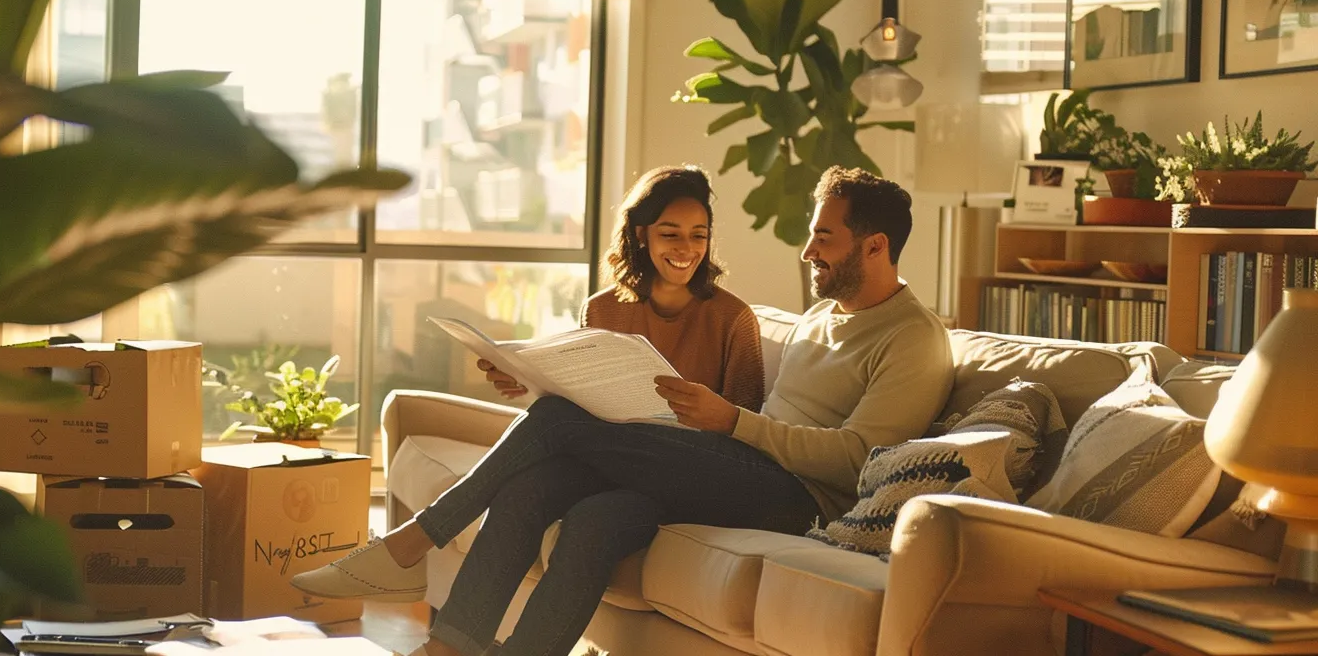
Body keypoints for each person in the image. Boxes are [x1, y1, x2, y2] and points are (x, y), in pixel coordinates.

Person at [292, 166, 955, 656]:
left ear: (874, 246)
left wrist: (730, 422)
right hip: (735, 469)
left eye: (825, 237)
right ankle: (456, 648)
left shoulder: (913, 339)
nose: (809, 250)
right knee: (578, 507)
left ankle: (411, 542)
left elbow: (860, 461)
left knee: (557, 426)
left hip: (797, 501)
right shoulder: (823, 317)